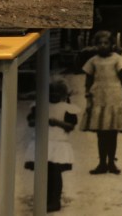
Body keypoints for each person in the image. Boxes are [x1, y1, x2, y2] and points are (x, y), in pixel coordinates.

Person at [24, 78, 80, 212]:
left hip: (58, 143)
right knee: (42, 172)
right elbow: (31, 122)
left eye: (57, 94)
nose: (53, 96)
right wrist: (40, 120)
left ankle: (55, 201)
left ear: (63, 95)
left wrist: (57, 122)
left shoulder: (66, 108)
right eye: (50, 94)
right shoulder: (39, 106)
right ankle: (43, 199)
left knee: (55, 172)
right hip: (41, 141)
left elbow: (71, 126)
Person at [81, 30, 122, 175]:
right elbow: (88, 81)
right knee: (101, 133)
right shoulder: (93, 61)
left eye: (106, 43)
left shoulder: (117, 59)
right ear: (95, 45)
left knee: (112, 132)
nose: (103, 46)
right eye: (100, 43)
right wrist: (88, 97)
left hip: (114, 98)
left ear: (112, 44)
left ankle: (111, 163)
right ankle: (102, 163)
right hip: (98, 98)